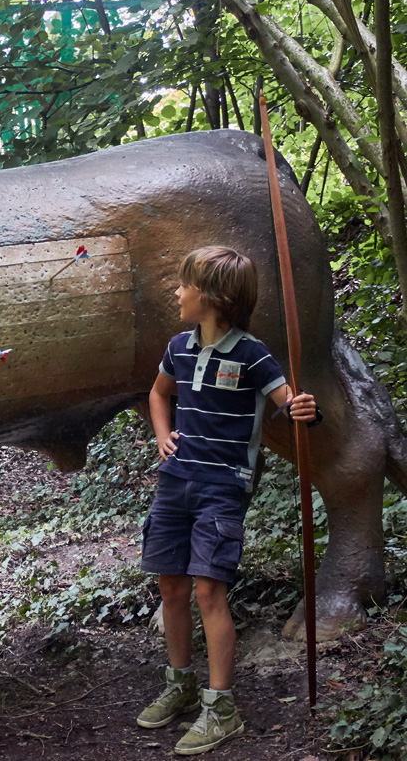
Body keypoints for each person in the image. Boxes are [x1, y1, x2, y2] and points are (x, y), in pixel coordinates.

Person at [136, 246, 320, 756]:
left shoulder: (252, 354)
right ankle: (180, 684)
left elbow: (290, 402)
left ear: (212, 297)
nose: (177, 292)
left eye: (185, 285)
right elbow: (159, 393)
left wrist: (304, 408)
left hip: (223, 486)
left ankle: (222, 707)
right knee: (171, 586)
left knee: (208, 592)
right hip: (176, 480)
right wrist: (163, 436)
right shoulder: (178, 346)